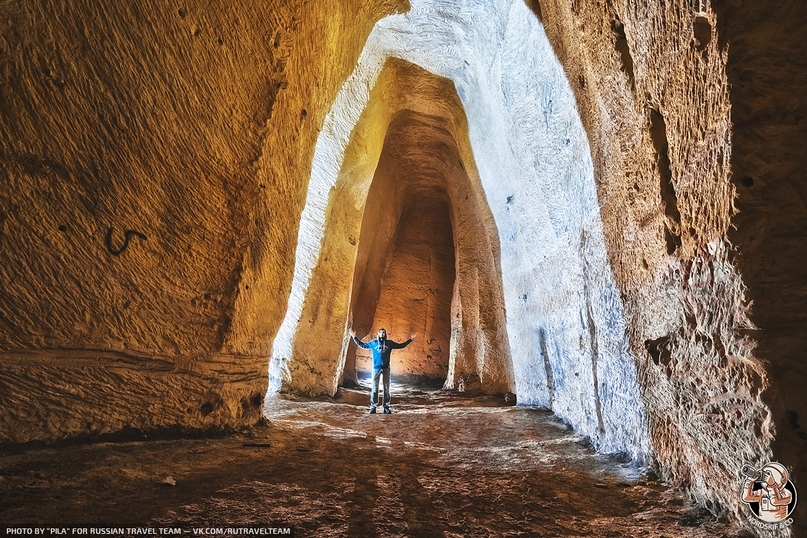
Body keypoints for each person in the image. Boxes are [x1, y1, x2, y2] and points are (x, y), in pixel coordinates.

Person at [350, 327, 414, 414]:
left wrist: (410, 340)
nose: (382, 334)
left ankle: (386, 407)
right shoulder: (373, 343)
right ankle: (373, 407)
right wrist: (354, 337)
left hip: (386, 368)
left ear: (385, 334)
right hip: (376, 368)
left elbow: (400, 345)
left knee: (386, 388)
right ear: (378, 334)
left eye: (383, 332)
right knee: (375, 388)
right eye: (380, 332)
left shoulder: (389, 343)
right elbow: (362, 345)